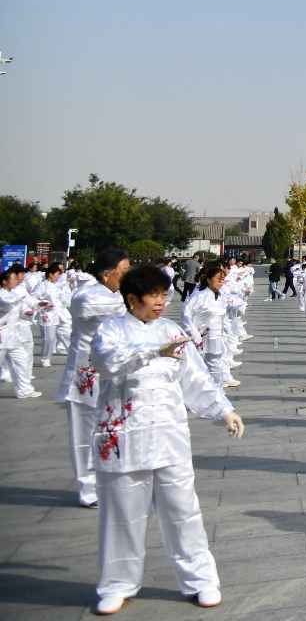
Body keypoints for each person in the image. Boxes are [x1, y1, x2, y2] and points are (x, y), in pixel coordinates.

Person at [88, 263, 245, 616]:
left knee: (183, 510)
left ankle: (200, 579)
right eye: (153, 295)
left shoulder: (172, 331)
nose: (160, 302)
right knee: (122, 515)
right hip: (125, 435)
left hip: (169, 434)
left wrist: (224, 410)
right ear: (133, 299)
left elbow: (196, 378)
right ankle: (117, 583)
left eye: (163, 294)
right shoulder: (111, 330)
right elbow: (108, 364)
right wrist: (151, 353)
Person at [58, 247, 130, 508]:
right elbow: (99, 308)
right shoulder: (86, 294)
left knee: (113, 428)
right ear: (107, 274)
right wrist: (132, 302)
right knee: (84, 433)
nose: (128, 276)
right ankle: (88, 489)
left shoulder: (118, 296)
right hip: (85, 375)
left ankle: (110, 481)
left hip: (113, 372)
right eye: (124, 272)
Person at [0, 264, 42, 398]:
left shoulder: (15, 293)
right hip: (1, 336)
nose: (16, 281)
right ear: (4, 281)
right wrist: (22, 296)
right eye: (13, 279)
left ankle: (24, 390)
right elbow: (8, 302)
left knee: (22, 361)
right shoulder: (3, 294)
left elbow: (20, 311)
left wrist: (37, 306)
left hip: (12, 336)